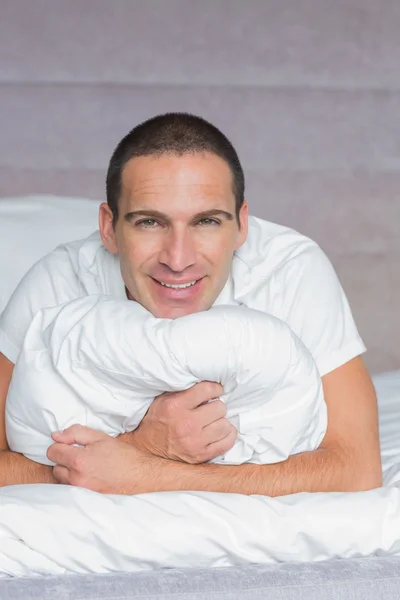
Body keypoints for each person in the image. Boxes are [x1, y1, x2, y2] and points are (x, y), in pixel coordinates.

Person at [0, 112, 382, 496]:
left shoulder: (291, 271)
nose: (178, 259)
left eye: (207, 222)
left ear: (242, 226)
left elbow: (357, 468)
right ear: (108, 228)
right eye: (150, 222)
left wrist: (151, 470)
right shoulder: (59, 281)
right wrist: (139, 445)